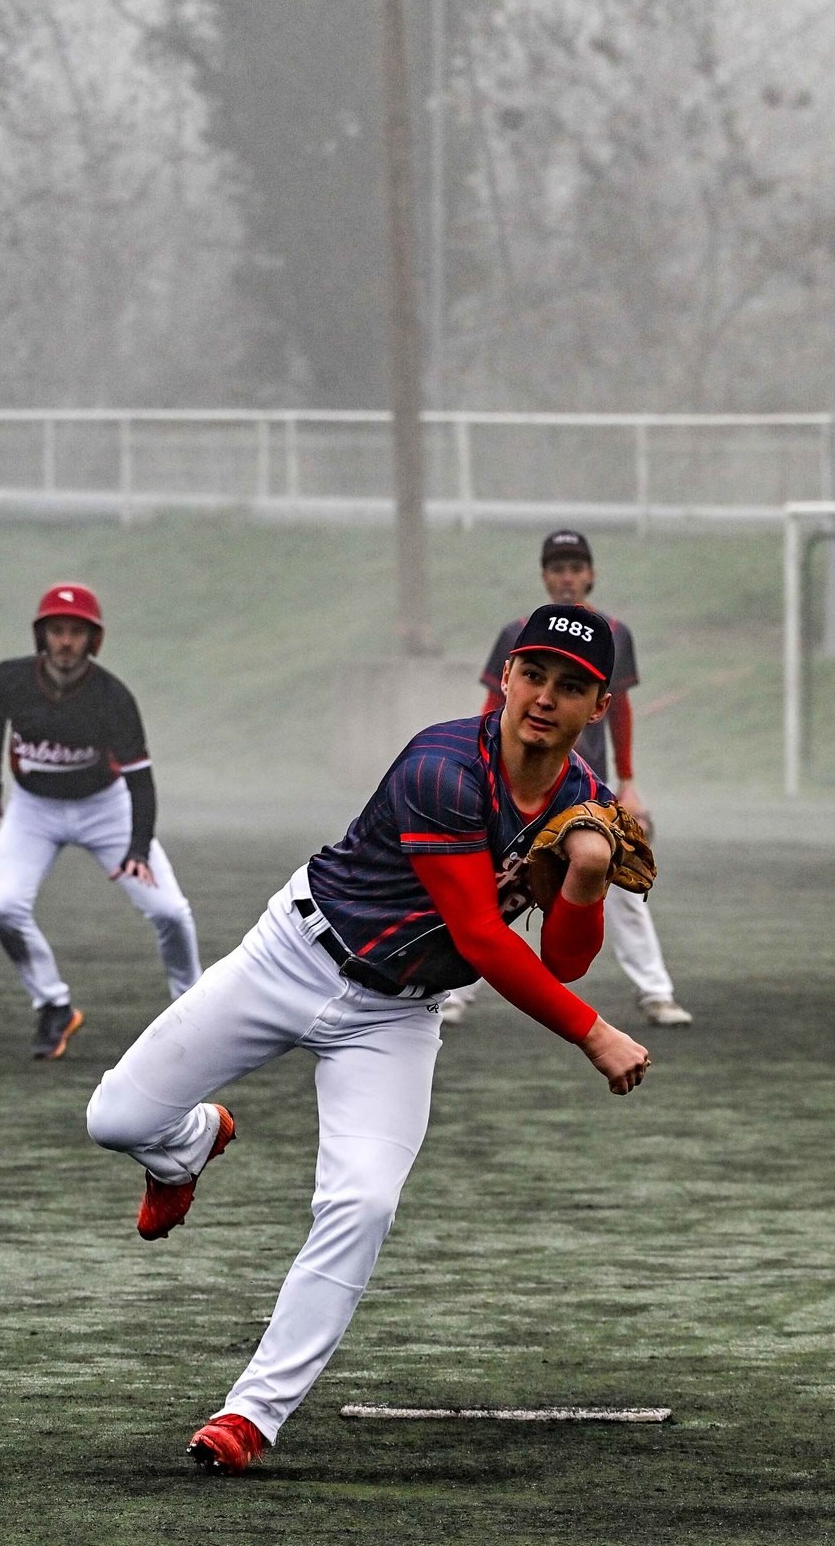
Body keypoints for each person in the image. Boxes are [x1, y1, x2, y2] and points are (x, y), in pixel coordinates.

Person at [86, 601, 651, 1473]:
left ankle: (251, 1415)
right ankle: (188, 1146)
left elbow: (568, 959)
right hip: (294, 955)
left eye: (571, 686)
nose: (545, 696)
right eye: (534, 674)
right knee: (114, 1118)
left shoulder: (586, 804)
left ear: (597, 706)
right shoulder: (441, 765)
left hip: (397, 1016)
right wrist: (594, 1035)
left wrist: (584, 877)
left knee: (364, 1203)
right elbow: (482, 939)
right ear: (505, 676)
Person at [443, 527, 691, 1029]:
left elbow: (619, 707)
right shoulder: (518, 633)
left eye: (576, 568)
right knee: (487, 889)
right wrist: (481, 766)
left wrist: (629, 780)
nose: (567, 578)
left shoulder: (614, 634)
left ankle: (656, 991)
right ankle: (452, 992)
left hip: (586, 788)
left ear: (591, 575)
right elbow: (495, 705)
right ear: (544, 576)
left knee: (620, 883)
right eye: (558, 568)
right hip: (515, 784)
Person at [0, 582, 202, 1061]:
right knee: (3, 907)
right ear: (42, 635)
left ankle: (195, 1009)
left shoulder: (112, 697)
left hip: (106, 807)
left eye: (76, 632)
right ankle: (54, 1005)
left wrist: (138, 849)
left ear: (92, 641)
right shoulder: (9, 679)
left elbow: (141, 781)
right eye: (56, 630)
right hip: (33, 807)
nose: (65, 642)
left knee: (170, 912)